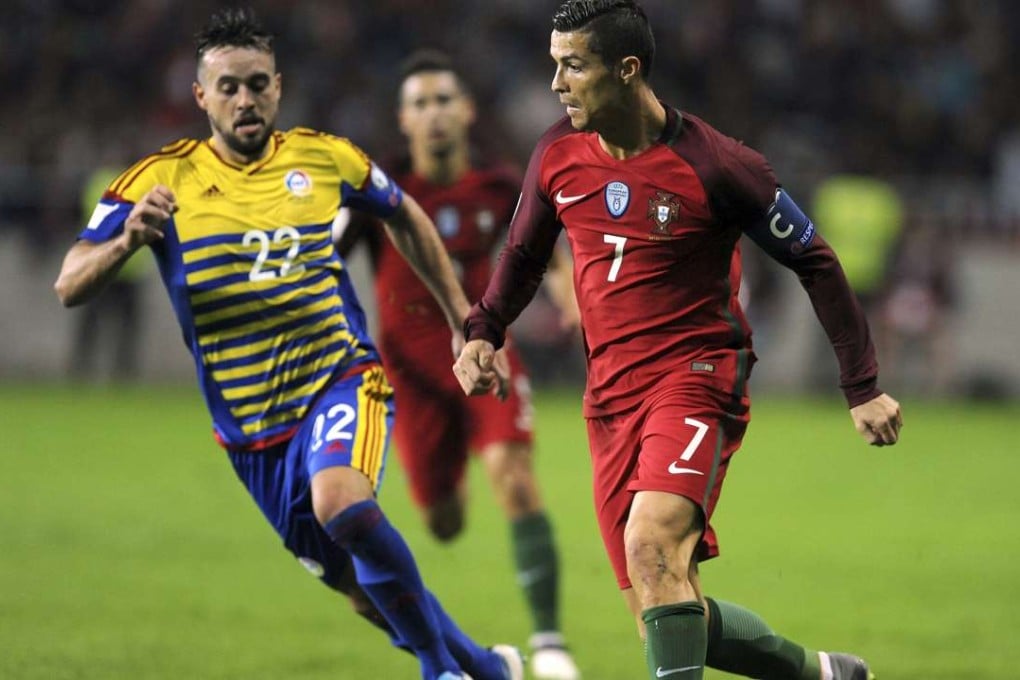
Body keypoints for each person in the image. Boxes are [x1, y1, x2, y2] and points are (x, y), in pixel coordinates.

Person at [52, 9, 523, 680]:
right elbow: (69, 283)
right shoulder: (159, 180)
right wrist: (127, 241)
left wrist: (462, 320)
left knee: (344, 504)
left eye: (257, 84)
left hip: (339, 378)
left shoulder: (325, 157)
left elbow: (405, 215)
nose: (245, 100)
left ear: (278, 86)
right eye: (228, 88)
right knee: (363, 593)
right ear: (200, 97)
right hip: (252, 434)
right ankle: (484, 668)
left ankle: (438, 671)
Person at [452, 3, 903, 680]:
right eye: (554, 65)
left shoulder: (719, 165)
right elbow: (520, 257)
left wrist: (862, 386)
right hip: (608, 397)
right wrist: (483, 330)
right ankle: (822, 674)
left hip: (697, 377)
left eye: (572, 64)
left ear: (626, 69)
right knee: (662, 599)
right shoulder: (556, 155)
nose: (556, 83)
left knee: (652, 545)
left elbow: (814, 257)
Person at [336, 49, 581, 680]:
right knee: (443, 522)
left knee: (517, 479)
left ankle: (550, 645)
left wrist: (573, 299)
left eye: (445, 99)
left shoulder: (500, 187)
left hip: (486, 358)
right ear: (403, 118)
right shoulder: (375, 190)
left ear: (467, 111)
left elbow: (548, 253)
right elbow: (325, 253)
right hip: (411, 379)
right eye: (421, 103)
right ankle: (452, 470)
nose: (435, 113)